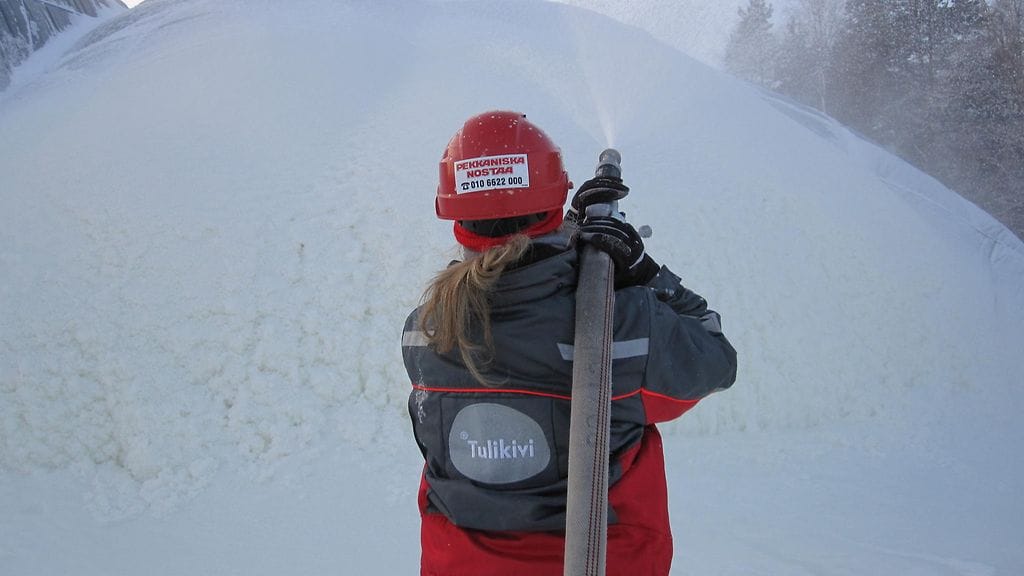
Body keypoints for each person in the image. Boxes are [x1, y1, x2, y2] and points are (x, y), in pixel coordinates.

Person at [402, 110, 737, 576]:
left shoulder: (427, 330)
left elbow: (517, 303)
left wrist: (569, 239)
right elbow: (715, 359)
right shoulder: (621, 327)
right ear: (553, 204)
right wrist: (642, 270)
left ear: (456, 217)